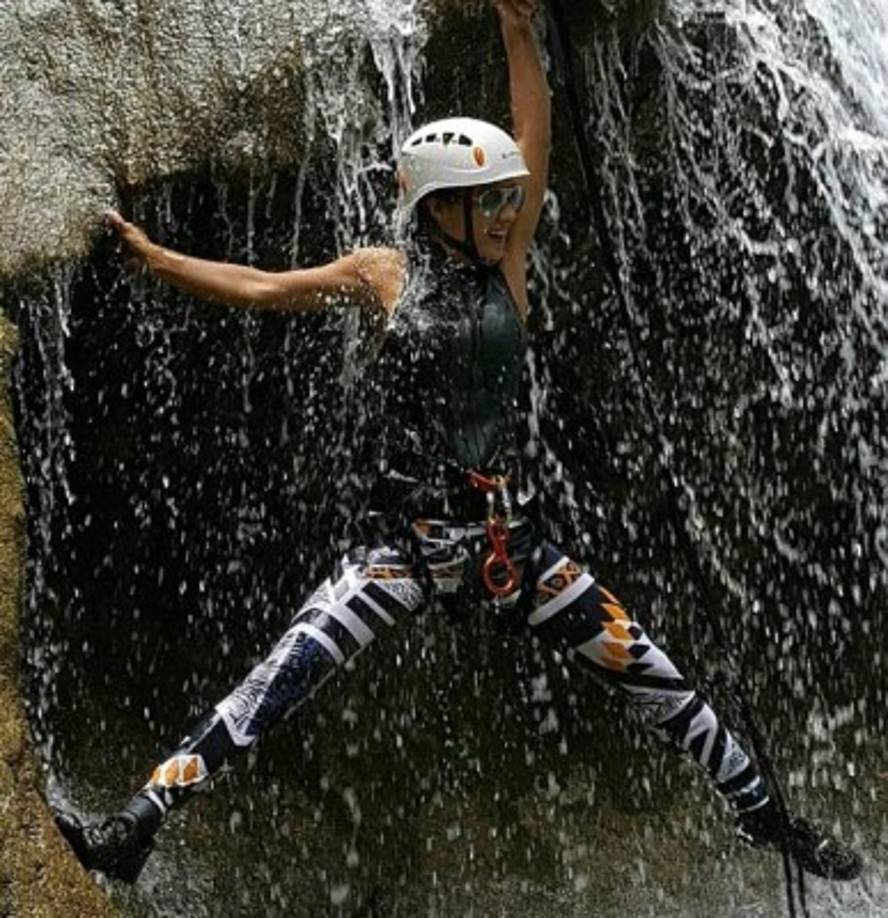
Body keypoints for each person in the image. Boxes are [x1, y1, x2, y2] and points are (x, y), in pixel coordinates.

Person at [55, 0, 861, 888]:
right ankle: (136, 825)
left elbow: (534, 137)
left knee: (659, 678)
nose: (510, 208)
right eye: (489, 200)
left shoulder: (508, 258)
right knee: (276, 679)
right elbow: (258, 287)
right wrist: (157, 259)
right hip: (406, 547)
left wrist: (519, 30)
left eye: (508, 198)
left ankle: (763, 816)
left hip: (511, 542)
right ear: (440, 207)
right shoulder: (382, 272)